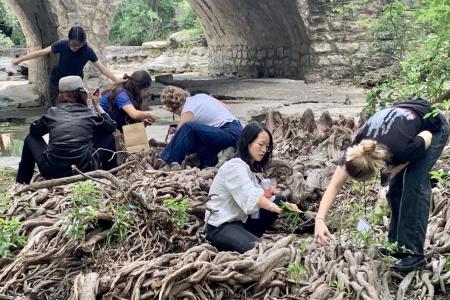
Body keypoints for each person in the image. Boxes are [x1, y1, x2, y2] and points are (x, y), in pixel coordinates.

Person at [314, 98, 449, 272]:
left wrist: (399, 167)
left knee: (414, 184)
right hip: (406, 127)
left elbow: (428, 137)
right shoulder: (357, 148)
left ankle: (414, 254)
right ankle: (397, 248)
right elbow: (333, 186)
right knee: (394, 190)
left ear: (377, 167)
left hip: (433, 128)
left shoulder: (401, 150)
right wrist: (319, 220)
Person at [204, 123, 300, 253]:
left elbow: (257, 195)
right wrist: (273, 207)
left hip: (241, 222)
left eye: (267, 147)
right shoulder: (234, 167)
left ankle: (246, 239)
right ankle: (243, 243)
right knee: (261, 250)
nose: (264, 150)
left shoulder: (248, 168)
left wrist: (285, 205)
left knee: (279, 199)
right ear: (247, 142)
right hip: (220, 227)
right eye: (260, 145)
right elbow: (250, 196)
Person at [16, 76, 118, 184]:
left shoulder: (52, 113)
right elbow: (111, 126)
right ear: (82, 94)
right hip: (85, 171)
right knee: (108, 136)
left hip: (51, 172)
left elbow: (34, 131)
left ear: (60, 95)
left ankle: (22, 182)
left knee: (30, 138)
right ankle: (111, 175)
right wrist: (97, 105)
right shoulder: (90, 114)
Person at [13, 25, 119, 106]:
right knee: (57, 106)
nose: (74, 47)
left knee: (78, 107)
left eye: (78, 45)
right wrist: (21, 59)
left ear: (83, 43)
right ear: (69, 40)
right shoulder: (62, 44)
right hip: (58, 79)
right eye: (72, 44)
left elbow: (103, 69)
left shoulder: (88, 51)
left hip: (75, 81)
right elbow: (41, 52)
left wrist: (118, 81)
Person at [160, 86, 243, 168]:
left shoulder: (188, 110)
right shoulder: (202, 96)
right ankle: (215, 159)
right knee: (197, 136)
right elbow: (226, 107)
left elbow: (180, 135)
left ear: (173, 109)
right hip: (237, 130)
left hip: (229, 133)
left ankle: (166, 161)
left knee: (189, 128)